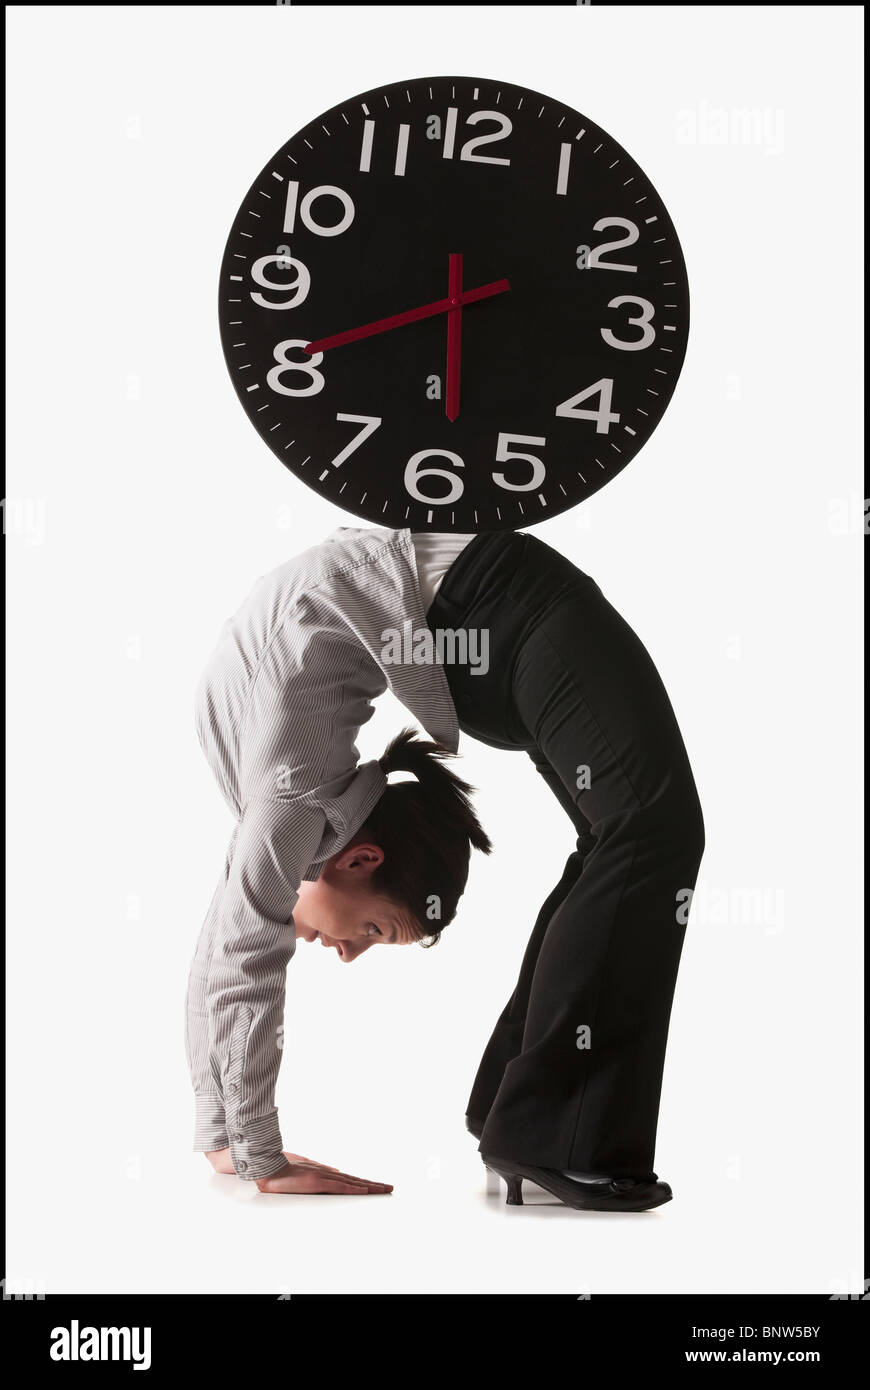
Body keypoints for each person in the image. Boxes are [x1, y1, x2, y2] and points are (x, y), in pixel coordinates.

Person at [185, 525, 705, 1212]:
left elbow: (238, 953)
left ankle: (530, 1124)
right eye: (374, 933)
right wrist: (236, 1144)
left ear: (362, 857)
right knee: (639, 832)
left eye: (371, 930)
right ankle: (541, 1130)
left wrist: (247, 1148)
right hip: (496, 625)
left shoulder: (290, 798)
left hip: (496, 616)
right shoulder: (293, 799)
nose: (346, 953)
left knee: (633, 833)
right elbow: (231, 949)